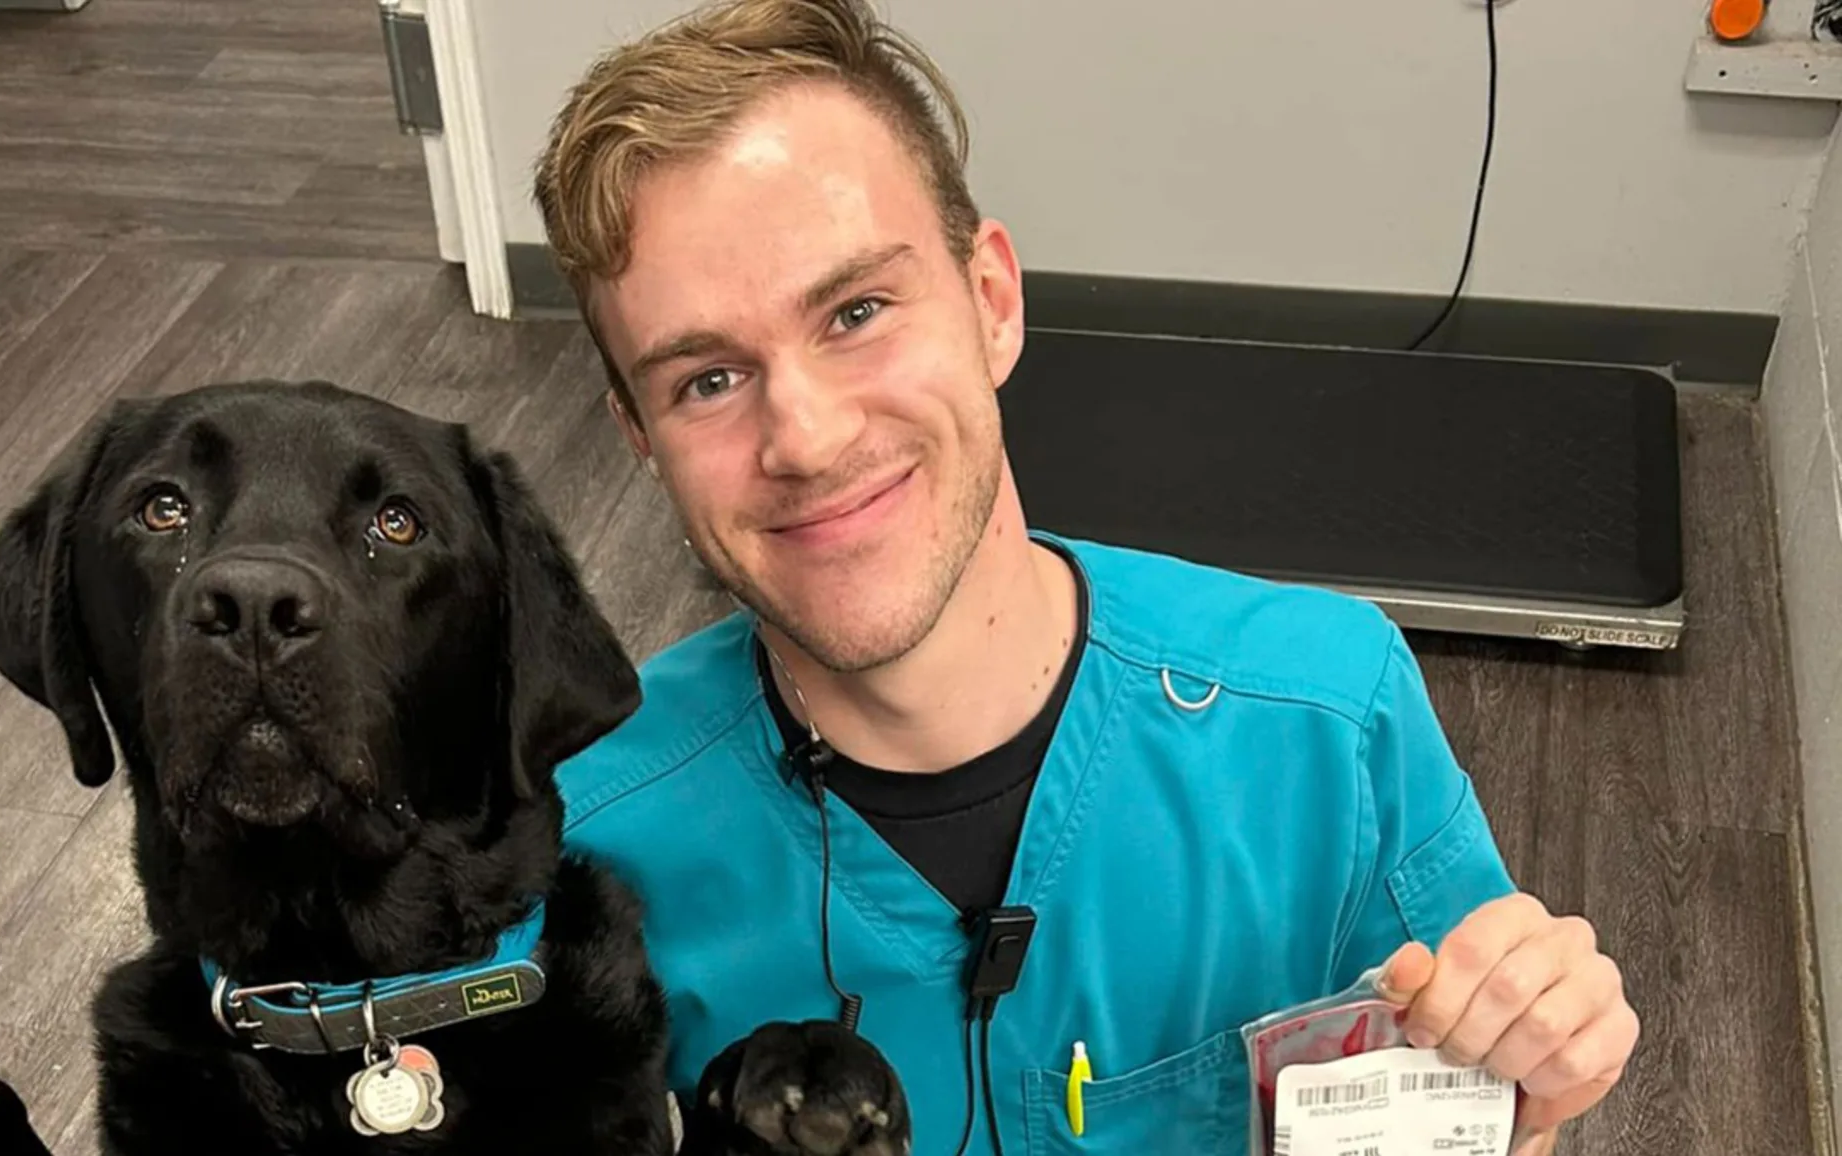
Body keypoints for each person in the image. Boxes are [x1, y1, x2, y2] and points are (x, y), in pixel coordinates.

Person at [537, 1, 1639, 1152]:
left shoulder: (1323, 725)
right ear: (635, 430)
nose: (805, 438)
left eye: (857, 311)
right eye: (706, 379)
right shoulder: (587, 839)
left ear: (992, 301)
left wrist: (1527, 1079)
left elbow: (1469, 1107)